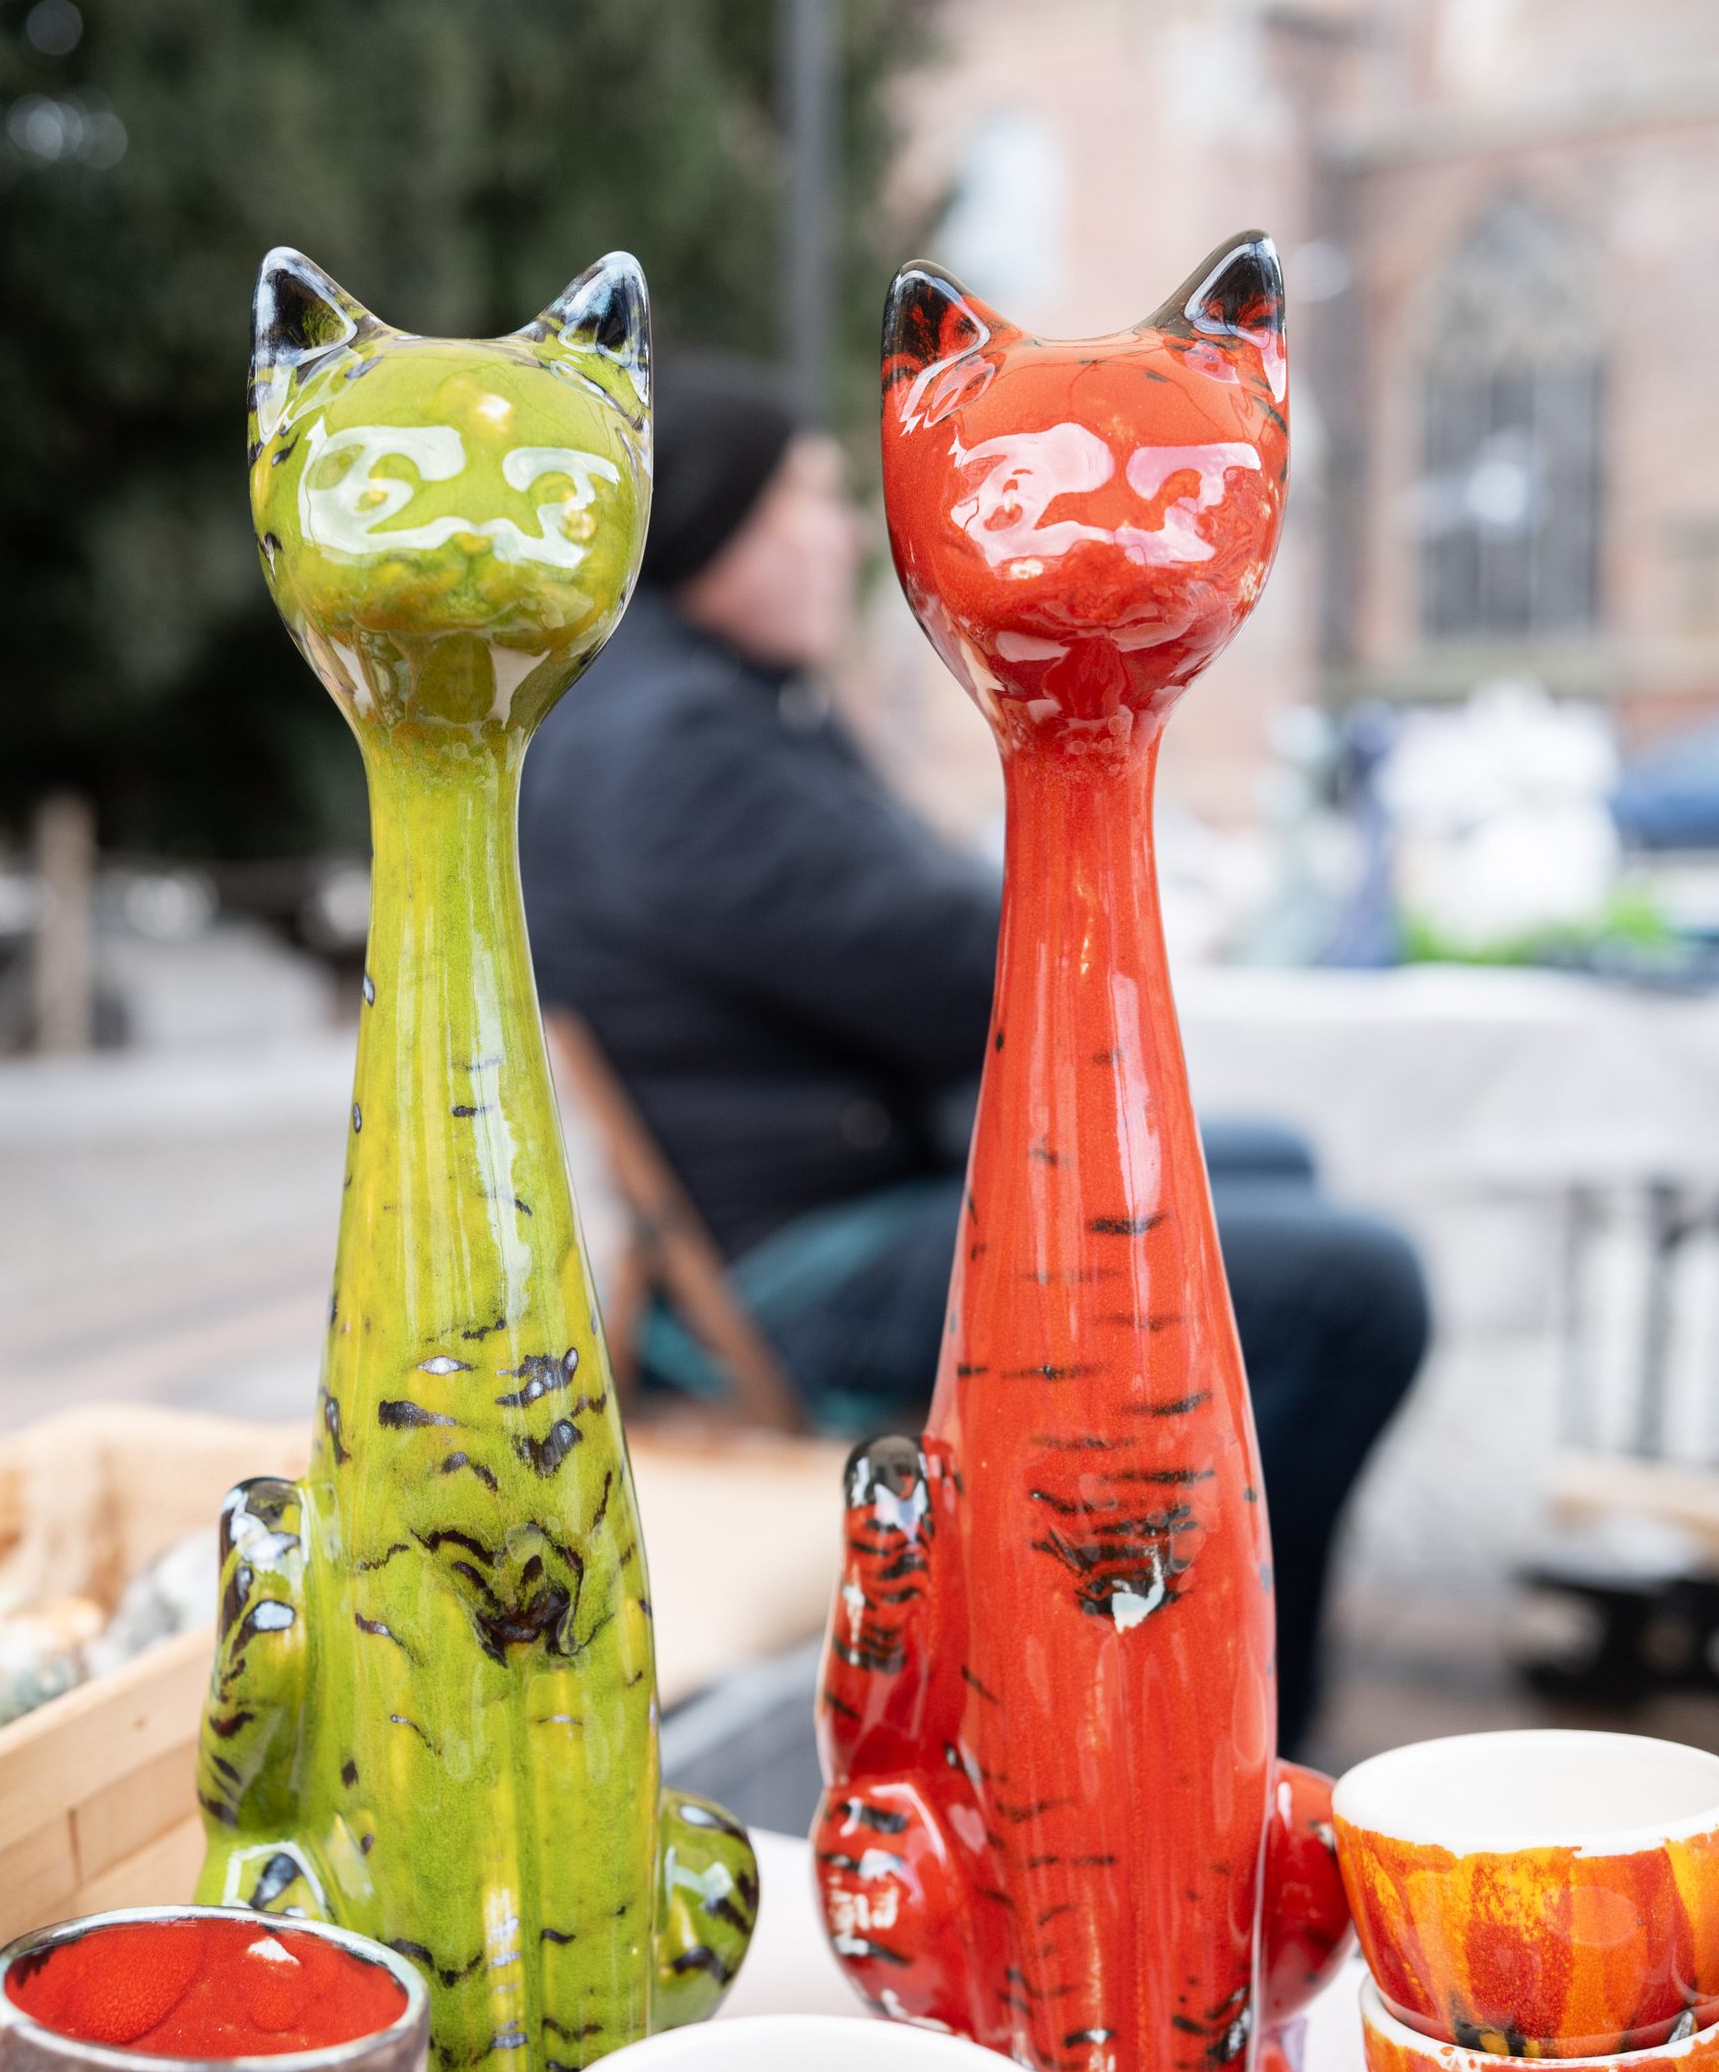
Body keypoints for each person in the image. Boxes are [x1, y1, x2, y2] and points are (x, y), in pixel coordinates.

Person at [520, 355, 1428, 1752]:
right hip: (795, 1266)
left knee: (1275, 1170)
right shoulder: (680, 746)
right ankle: (1229, 1727)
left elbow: (924, 928)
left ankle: (1189, 1660)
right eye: (808, 499)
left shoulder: (706, 708)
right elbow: (976, 977)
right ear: (710, 522)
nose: (846, 535)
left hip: (841, 1182)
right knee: (1354, 1288)